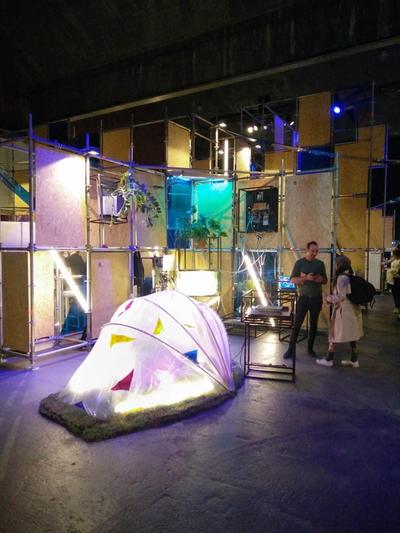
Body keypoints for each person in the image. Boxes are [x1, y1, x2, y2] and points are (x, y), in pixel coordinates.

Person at [316, 255, 363, 368]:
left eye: (336, 264)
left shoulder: (342, 278)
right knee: (353, 335)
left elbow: (341, 296)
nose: (335, 266)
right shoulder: (348, 276)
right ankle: (354, 360)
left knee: (335, 334)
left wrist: (327, 298)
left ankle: (329, 359)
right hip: (352, 309)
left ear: (340, 265)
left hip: (343, 311)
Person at [283, 241, 327, 359]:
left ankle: (310, 349)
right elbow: (292, 280)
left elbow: (325, 280)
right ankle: (290, 349)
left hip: (316, 299)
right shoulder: (299, 263)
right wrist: (306, 278)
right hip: (303, 298)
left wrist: (320, 279)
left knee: (313, 325)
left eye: (317, 251)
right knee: (297, 324)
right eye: (313, 251)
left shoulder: (320, 264)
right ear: (307, 250)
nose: (315, 253)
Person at [386, 247, 400, 316]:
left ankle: (398, 307)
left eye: (394, 254)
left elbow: (398, 270)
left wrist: (394, 271)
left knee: (398, 294)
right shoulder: (394, 259)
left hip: (398, 279)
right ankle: (397, 307)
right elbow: (389, 263)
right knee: (394, 293)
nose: (393, 255)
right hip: (392, 279)